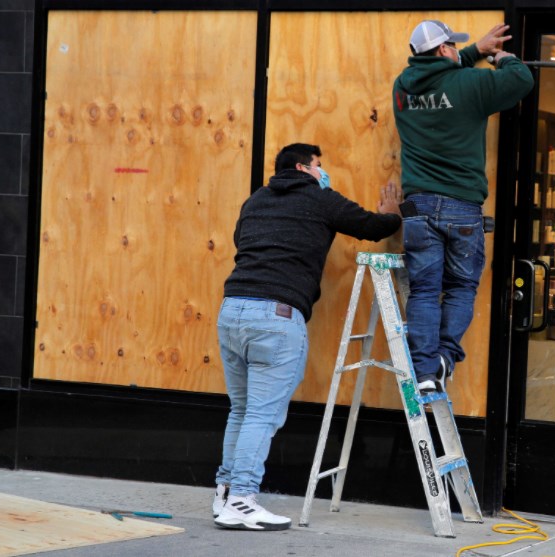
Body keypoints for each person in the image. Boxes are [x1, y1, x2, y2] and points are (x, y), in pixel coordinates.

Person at [212, 143, 402, 530]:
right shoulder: (319, 198)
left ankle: (225, 494)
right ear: (303, 168)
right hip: (276, 316)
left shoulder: (255, 200)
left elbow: (240, 241)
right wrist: (393, 215)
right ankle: (242, 500)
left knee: (241, 410)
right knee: (260, 415)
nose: (323, 172)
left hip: (232, 310)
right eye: (319, 165)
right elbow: (371, 226)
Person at [392, 21, 534, 392]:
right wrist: (502, 58)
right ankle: (445, 356)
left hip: (419, 207)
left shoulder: (402, 88)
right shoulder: (472, 84)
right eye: (453, 46)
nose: (458, 51)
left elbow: (443, 78)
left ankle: (425, 373)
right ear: (443, 50)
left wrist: (474, 51)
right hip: (461, 206)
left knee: (424, 290)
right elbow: (521, 80)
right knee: (460, 288)